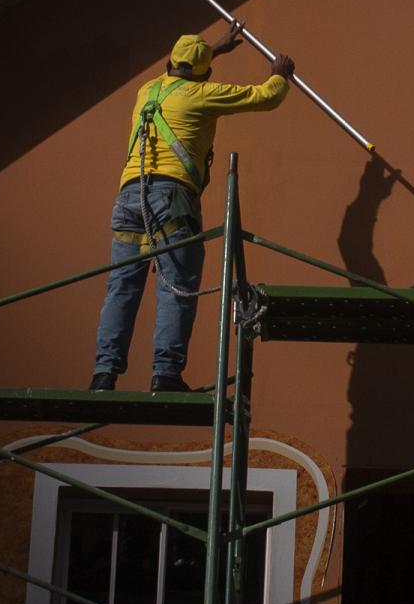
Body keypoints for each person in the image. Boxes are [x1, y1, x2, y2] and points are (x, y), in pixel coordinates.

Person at [91, 23, 295, 390]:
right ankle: (165, 374)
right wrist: (279, 76)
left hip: (128, 197)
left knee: (122, 286)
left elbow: (180, 70)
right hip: (171, 199)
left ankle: (104, 374)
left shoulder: (146, 90)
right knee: (177, 286)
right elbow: (264, 98)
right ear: (204, 73)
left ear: (170, 63)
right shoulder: (202, 95)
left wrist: (213, 49)